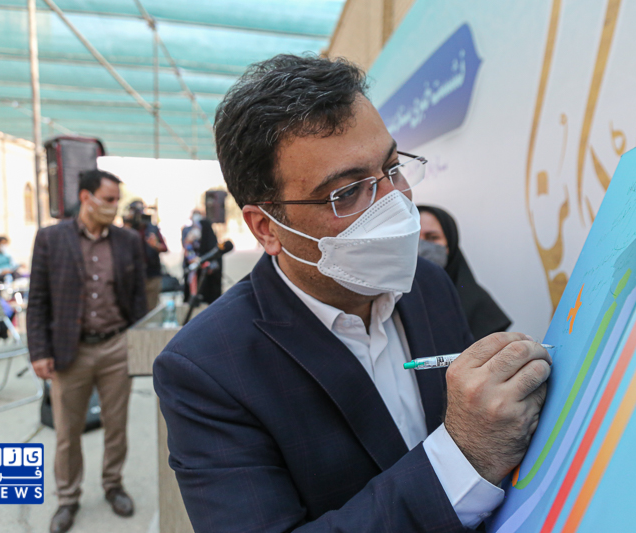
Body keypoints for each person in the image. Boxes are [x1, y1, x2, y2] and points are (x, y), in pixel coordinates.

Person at [154, 55, 551, 532]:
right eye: (346, 193)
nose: (395, 204)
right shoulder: (207, 369)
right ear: (266, 228)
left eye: (393, 168)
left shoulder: (427, 284)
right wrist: (462, 458)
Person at [27, 169, 147, 533]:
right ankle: (67, 498)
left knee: (116, 427)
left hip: (116, 347)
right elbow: (38, 299)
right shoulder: (51, 238)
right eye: (108, 199)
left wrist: (138, 342)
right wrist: (39, 351)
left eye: (117, 200)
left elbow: (139, 297)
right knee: (67, 432)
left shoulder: (128, 240)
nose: (114, 206)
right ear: (85, 198)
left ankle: (113, 485)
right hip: (70, 351)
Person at [417, 205, 512, 340]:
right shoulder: (392, 298)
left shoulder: (474, 301)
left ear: (450, 242)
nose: (421, 246)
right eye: (414, 237)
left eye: (432, 237)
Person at [181, 208, 233, 305]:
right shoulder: (188, 232)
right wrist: (188, 242)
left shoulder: (211, 242)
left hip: (208, 285)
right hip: (195, 274)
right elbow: (187, 250)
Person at [123, 200, 168, 311]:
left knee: (151, 308)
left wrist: (155, 245)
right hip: (133, 275)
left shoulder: (152, 228)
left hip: (152, 274)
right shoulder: (128, 230)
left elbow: (165, 248)